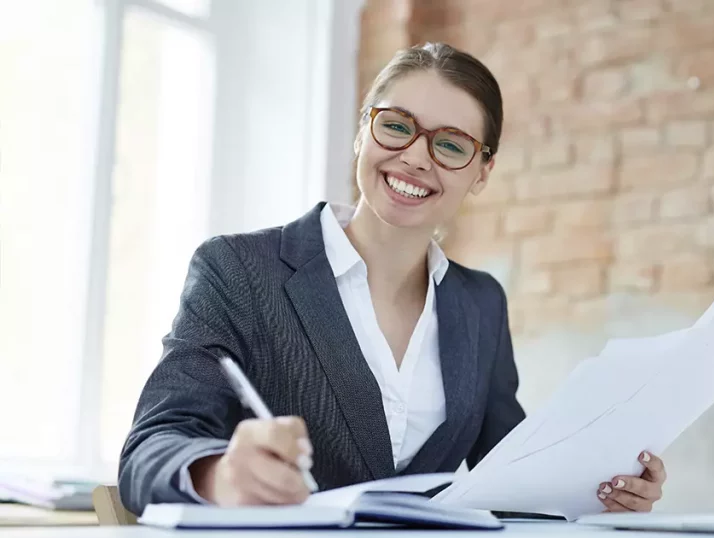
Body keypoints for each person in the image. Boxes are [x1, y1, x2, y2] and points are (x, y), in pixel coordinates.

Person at [117, 42, 667, 516]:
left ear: (481, 172)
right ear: (363, 132)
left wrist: (602, 486)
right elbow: (149, 448)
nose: (414, 157)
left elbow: (508, 475)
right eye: (397, 126)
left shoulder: (480, 303)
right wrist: (219, 474)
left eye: (450, 145)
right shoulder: (237, 270)